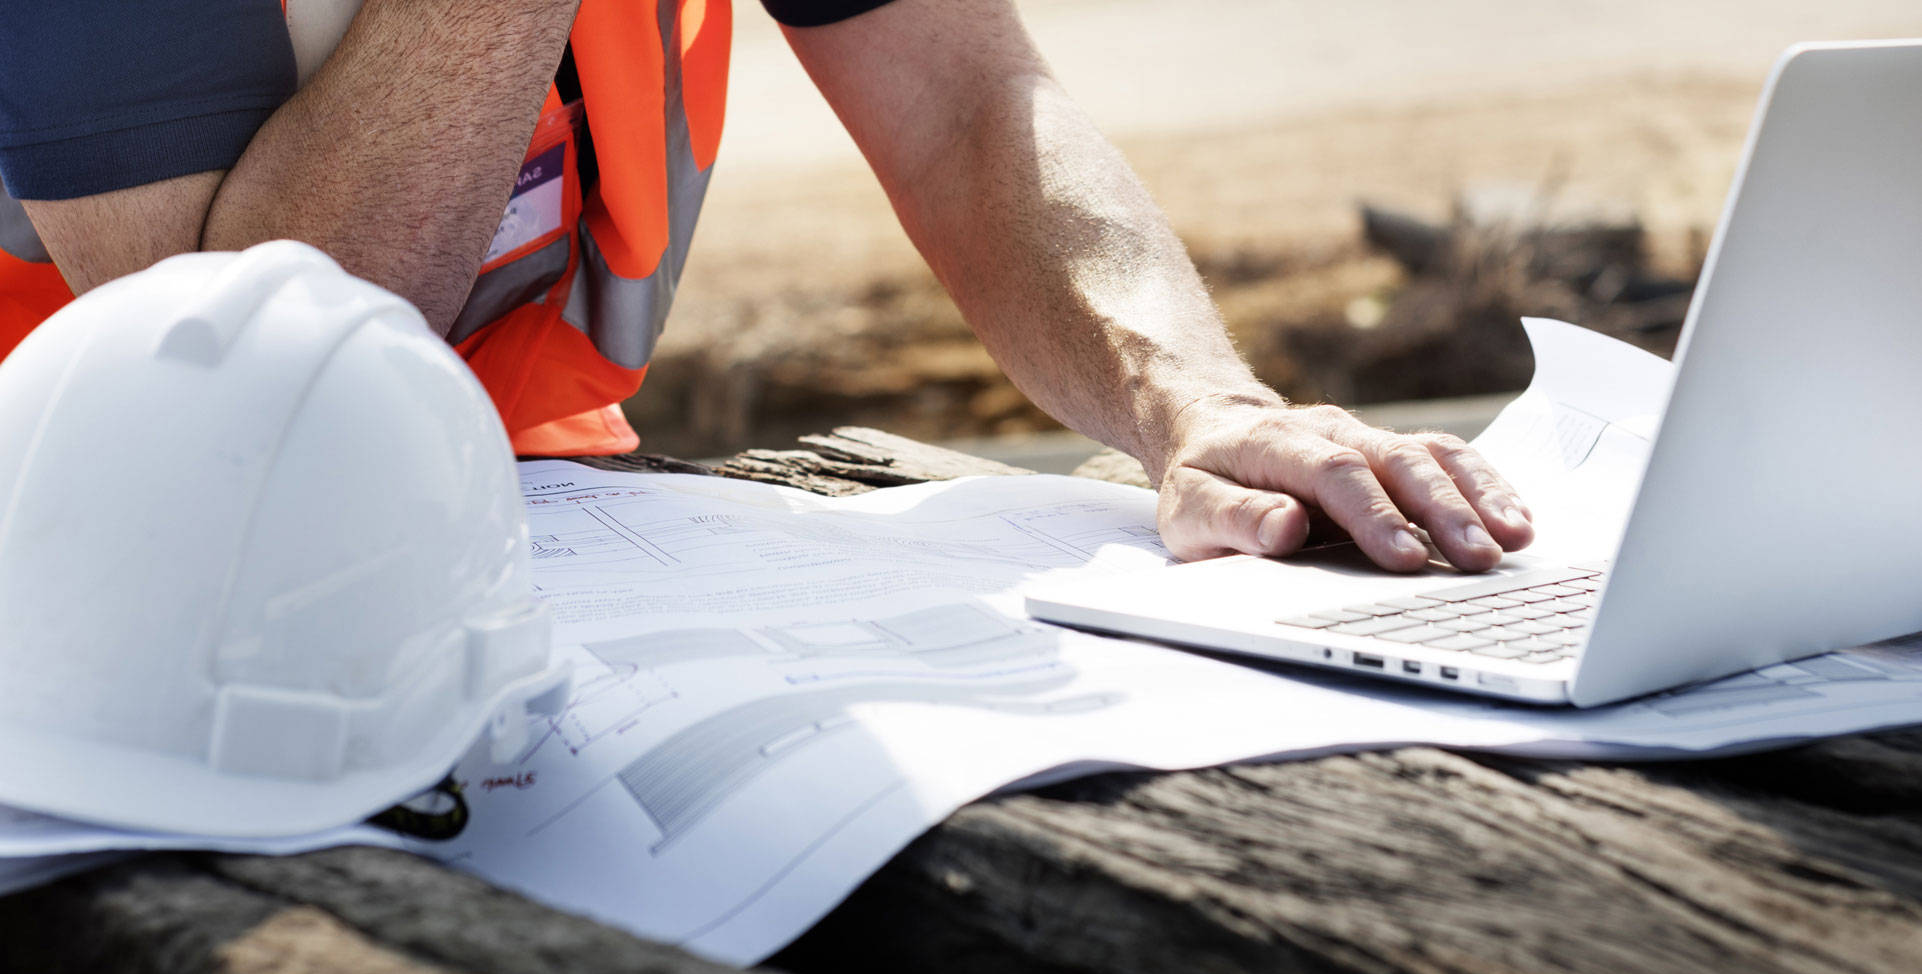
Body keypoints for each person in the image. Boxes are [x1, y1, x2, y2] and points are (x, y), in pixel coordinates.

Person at [0, 0, 1534, 572]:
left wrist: (1190, 401)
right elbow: (259, 401)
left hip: (543, 517)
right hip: (105, 563)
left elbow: (963, 100)